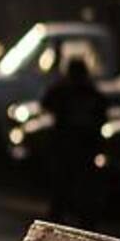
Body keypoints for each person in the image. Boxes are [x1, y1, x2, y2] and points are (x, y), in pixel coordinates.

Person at [39, 57, 108, 225]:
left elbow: (46, 103)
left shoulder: (70, 90)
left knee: (69, 184)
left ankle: (73, 216)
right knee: (72, 185)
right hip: (77, 145)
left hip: (74, 145)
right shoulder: (84, 91)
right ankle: (78, 217)